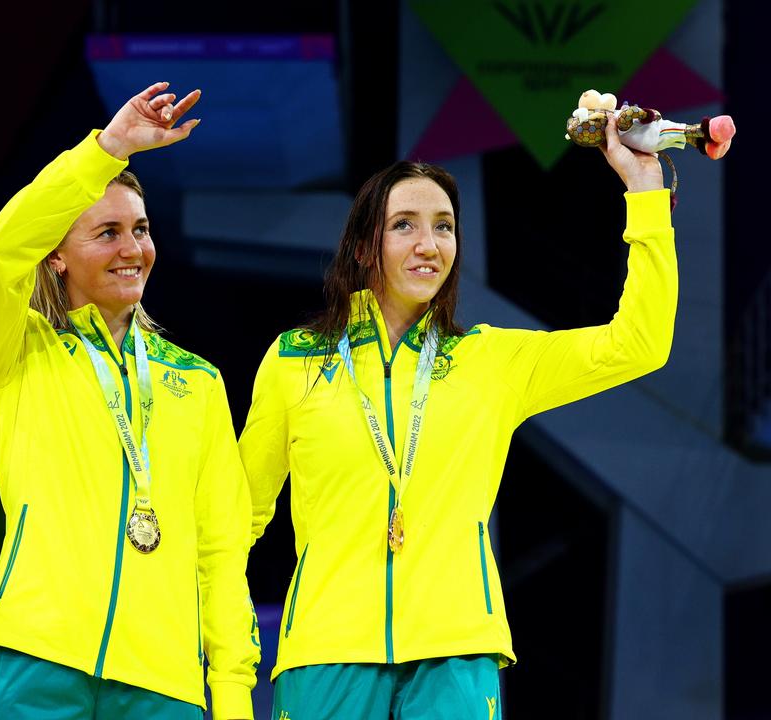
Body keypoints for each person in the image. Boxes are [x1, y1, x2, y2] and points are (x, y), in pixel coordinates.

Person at [239, 120, 675, 716]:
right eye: (405, 226)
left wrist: (645, 191)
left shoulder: (491, 361)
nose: (429, 244)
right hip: (324, 650)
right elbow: (241, 515)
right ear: (365, 246)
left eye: (444, 227)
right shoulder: (295, 360)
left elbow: (640, 344)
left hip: (457, 651)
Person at [0, 82, 259, 719]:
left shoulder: (198, 383)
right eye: (107, 233)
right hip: (35, 663)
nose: (133, 249)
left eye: (141, 230)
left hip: (163, 684)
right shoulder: (12, 353)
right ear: (58, 256)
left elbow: (221, 551)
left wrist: (232, 695)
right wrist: (107, 151)